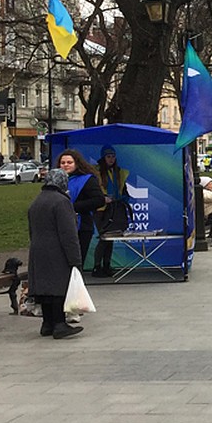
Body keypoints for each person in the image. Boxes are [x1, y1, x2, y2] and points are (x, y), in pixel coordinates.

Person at [27, 168, 84, 339]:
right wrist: (75, 260)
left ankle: (47, 323)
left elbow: (31, 230)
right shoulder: (61, 202)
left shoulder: (37, 201)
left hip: (38, 250)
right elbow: (69, 234)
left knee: (45, 287)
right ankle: (60, 324)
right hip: (57, 251)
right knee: (58, 287)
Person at [57, 148, 105, 270]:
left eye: (69, 162)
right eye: (63, 163)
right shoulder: (56, 180)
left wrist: (72, 207)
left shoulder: (87, 180)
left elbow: (99, 200)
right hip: (61, 225)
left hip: (81, 225)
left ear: (76, 163)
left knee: (77, 262)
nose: (65, 165)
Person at [91, 145, 129, 277]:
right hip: (100, 210)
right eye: (108, 157)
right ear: (103, 157)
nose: (111, 159)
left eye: (113, 156)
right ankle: (97, 267)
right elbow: (92, 191)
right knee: (104, 238)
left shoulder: (119, 172)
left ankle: (107, 266)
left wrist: (122, 197)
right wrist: (103, 199)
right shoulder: (95, 172)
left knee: (111, 238)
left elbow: (124, 191)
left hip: (114, 208)